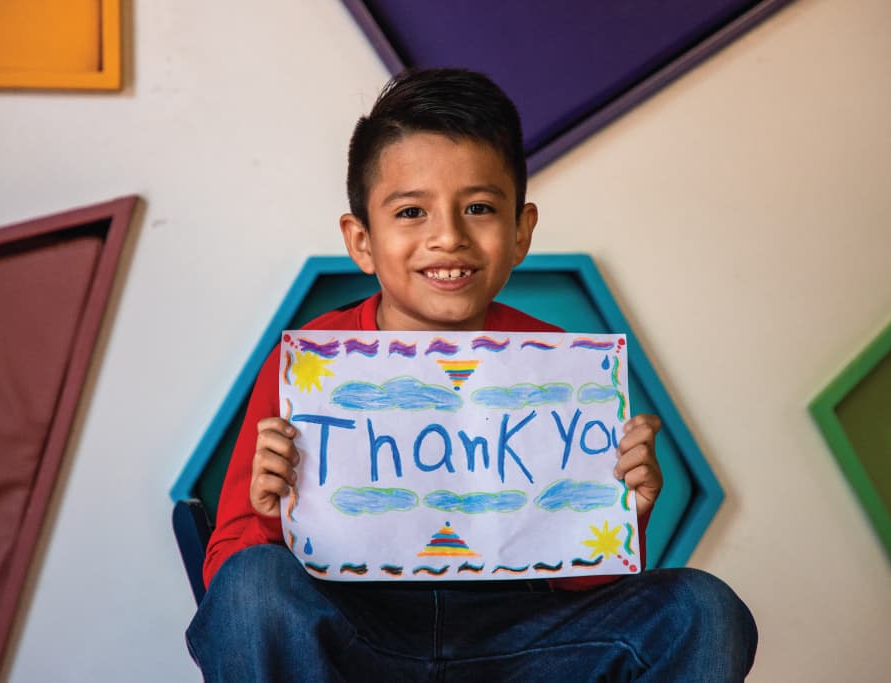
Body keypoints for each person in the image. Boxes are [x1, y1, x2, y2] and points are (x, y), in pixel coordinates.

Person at [186, 67, 757, 681]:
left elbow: (585, 580)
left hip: (522, 643)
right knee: (252, 587)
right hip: (357, 636)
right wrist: (272, 511)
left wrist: (622, 509)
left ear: (520, 232)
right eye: (410, 212)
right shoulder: (312, 361)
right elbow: (230, 580)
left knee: (703, 608)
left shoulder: (562, 366)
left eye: (479, 208)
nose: (449, 237)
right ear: (361, 240)